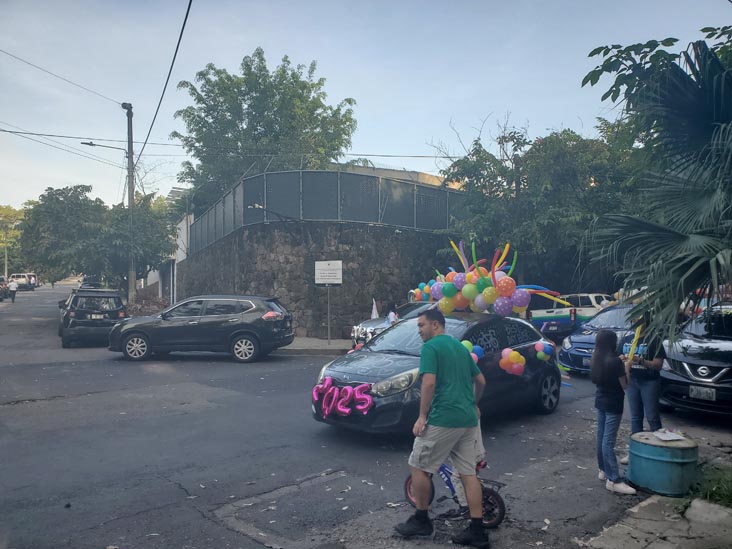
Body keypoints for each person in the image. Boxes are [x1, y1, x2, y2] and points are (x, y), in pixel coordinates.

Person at [395, 308, 489, 548]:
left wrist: (422, 416)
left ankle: (422, 520)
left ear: (435, 325)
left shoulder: (431, 348)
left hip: (443, 418)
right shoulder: (460, 347)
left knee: (418, 466)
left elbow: (428, 383)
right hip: (467, 419)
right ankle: (478, 532)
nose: (419, 331)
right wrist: (474, 404)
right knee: (468, 474)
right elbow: (480, 381)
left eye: (421, 326)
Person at [591, 329, 636, 495]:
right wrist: (627, 367)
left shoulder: (596, 358)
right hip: (613, 403)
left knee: (601, 437)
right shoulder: (615, 362)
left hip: (600, 400)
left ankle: (603, 470)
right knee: (608, 441)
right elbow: (625, 384)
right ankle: (614, 479)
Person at [621, 321, 666, 448]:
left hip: (649, 381)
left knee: (652, 417)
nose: (635, 322)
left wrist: (639, 360)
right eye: (633, 319)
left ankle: (658, 449)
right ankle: (636, 450)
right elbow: (617, 356)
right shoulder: (627, 339)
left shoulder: (654, 340)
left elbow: (658, 365)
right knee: (635, 417)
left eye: (638, 319)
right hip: (632, 381)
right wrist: (621, 359)